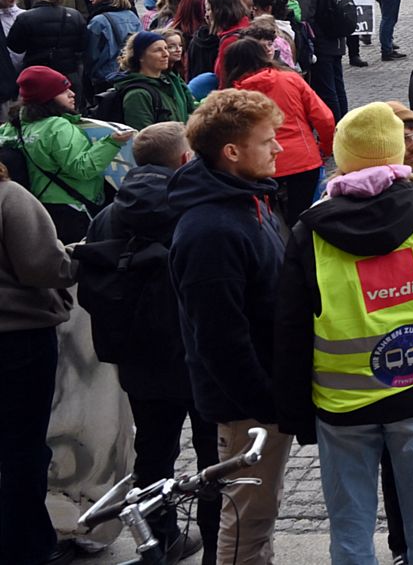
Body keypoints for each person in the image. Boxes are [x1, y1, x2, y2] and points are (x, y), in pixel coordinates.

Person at [272, 102, 413, 565]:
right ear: (398, 151)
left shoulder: (308, 232)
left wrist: (295, 412)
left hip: (340, 404)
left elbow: (290, 331)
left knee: (351, 526)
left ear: (342, 157)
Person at [76, 122, 217, 563]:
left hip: (140, 357)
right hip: (198, 353)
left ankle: (160, 538)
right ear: (183, 159)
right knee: (215, 455)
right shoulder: (197, 209)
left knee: (153, 452)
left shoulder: (107, 215)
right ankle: (220, 544)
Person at [167, 89, 296, 565]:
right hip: (248, 407)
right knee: (247, 517)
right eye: (268, 141)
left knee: (259, 511)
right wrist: (269, 403)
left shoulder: (249, 199)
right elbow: (220, 339)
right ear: (232, 152)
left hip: (264, 394)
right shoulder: (211, 230)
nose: (279, 148)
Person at [2, 156, 81, 565]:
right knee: (22, 447)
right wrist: (79, 258)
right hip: (17, 339)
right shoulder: (8, 198)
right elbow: (43, 266)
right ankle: (27, 546)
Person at [0, 65, 130, 240]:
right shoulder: (57, 127)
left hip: (38, 205)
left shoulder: (11, 127)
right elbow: (82, 168)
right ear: (47, 99)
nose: (72, 94)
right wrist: (112, 142)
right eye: (63, 91)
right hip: (73, 206)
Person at [221, 37, 335, 225]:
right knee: (304, 220)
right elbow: (325, 118)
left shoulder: (234, 95)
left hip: (258, 164)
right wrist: (325, 148)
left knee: (266, 221)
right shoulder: (291, 79)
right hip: (303, 159)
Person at [8, 0, 90, 92]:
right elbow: (82, 45)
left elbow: (16, 47)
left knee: (39, 108)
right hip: (68, 73)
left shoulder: (25, 18)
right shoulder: (75, 15)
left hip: (37, 74)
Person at [110, 29, 195, 129]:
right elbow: (144, 138)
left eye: (166, 48)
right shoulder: (138, 94)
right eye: (158, 50)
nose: (166, 54)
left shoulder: (168, 83)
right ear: (140, 56)